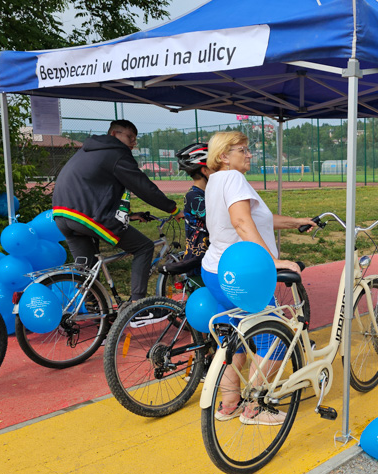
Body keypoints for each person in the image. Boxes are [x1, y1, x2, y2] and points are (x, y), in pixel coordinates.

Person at [201, 131, 316, 425]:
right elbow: (241, 223)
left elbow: (254, 218)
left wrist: (296, 221)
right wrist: (272, 261)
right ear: (224, 155)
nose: (249, 154)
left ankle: (229, 403)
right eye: (243, 150)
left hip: (216, 269)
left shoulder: (215, 180)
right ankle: (256, 406)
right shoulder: (234, 179)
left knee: (234, 338)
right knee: (275, 338)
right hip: (244, 274)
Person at [53, 120, 183, 306]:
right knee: (144, 247)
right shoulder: (117, 153)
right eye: (130, 137)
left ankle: (96, 311)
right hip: (86, 215)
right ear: (114, 134)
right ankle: (138, 307)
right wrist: (173, 209)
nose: (133, 143)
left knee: (87, 268)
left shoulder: (88, 150)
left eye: (135, 139)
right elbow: (142, 186)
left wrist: (129, 215)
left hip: (62, 214)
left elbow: (100, 188)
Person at [175, 142, 211, 273]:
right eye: (214, 167)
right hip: (199, 262)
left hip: (210, 259)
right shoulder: (194, 196)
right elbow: (215, 221)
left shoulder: (207, 193)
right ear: (205, 171)